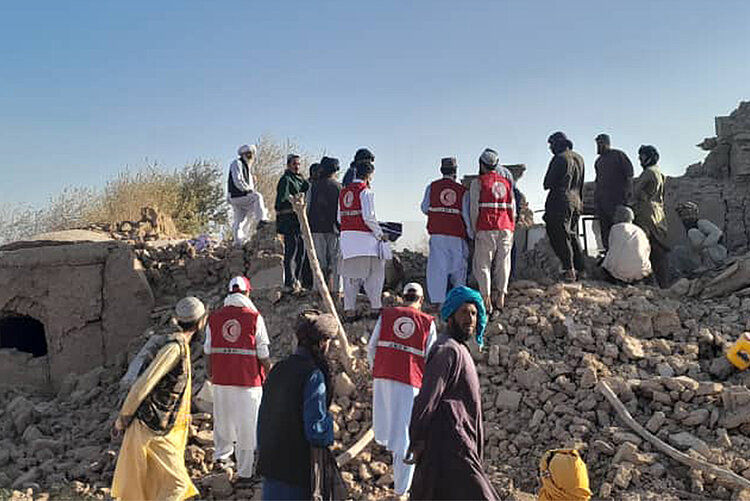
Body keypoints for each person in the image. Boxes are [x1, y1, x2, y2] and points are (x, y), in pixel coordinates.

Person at [407, 286, 498, 501]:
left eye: (474, 313)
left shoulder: (458, 348)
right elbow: (427, 398)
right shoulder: (446, 350)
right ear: (450, 316)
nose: (470, 319)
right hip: (452, 443)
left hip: (457, 441)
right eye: (464, 313)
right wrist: (417, 438)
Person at [111, 297, 206, 501]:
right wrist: (122, 419)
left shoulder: (181, 346)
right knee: (177, 485)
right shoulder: (174, 349)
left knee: (157, 484)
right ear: (200, 322)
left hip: (162, 428)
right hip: (151, 429)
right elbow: (143, 384)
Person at [256, 310, 338, 500]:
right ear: (323, 342)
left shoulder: (278, 369)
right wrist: (329, 426)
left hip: (271, 466)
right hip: (296, 472)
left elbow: (264, 417)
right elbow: (315, 431)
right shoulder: (313, 375)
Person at [367, 283, 437, 497]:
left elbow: (372, 347)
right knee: (405, 435)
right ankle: (402, 490)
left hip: (384, 379)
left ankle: (400, 483)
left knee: (389, 429)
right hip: (410, 383)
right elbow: (431, 357)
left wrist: (377, 369)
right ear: (421, 300)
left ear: (403, 297)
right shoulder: (426, 322)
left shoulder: (387, 315)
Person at [204, 276, 271, 486]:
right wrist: (270, 374)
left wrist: (210, 374)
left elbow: (207, 350)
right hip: (248, 382)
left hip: (221, 380)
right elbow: (263, 352)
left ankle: (221, 459)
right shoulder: (254, 318)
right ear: (247, 293)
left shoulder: (214, 318)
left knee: (222, 421)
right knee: (247, 427)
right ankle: (245, 473)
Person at [338, 153, 388, 322]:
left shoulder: (343, 192)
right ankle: (376, 307)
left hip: (346, 239)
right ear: (368, 175)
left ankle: (349, 310)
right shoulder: (366, 192)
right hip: (364, 240)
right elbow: (368, 217)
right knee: (375, 272)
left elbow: (339, 218)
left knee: (350, 276)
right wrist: (380, 234)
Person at [420, 157, 473, 307]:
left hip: (437, 235)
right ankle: (459, 303)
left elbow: (424, 208)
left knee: (438, 270)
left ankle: (438, 303)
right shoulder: (462, 191)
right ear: (455, 172)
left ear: (441, 170)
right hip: (457, 236)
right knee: (459, 270)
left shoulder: (432, 187)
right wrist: (470, 234)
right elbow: (466, 215)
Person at [470, 148, 515, 314]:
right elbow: (513, 208)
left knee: (483, 265)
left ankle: (486, 299)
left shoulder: (478, 183)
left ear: (482, 164)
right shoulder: (506, 183)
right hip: (505, 227)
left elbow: (474, 208)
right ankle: (501, 295)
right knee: (503, 262)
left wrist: (474, 229)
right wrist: (512, 226)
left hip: (486, 226)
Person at [543, 132, 585, 282]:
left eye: (551, 145)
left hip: (560, 199)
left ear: (558, 144)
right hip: (576, 201)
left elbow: (547, 183)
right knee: (572, 234)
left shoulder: (560, 158)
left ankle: (569, 270)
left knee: (559, 235)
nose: (550, 148)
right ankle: (581, 268)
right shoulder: (579, 158)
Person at [633, 145, 670, 288]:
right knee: (659, 248)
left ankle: (649, 283)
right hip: (658, 212)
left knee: (645, 247)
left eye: (641, 156)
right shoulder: (660, 173)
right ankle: (664, 283)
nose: (639, 159)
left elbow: (635, 193)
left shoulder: (648, 172)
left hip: (646, 213)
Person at [275, 154, 312, 291]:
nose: (296, 166)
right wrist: (294, 203)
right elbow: (282, 201)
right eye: (294, 164)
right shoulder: (285, 180)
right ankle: (289, 283)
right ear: (288, 165)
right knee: (292, 250)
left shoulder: (300, 179)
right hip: (289, 221)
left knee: (301, 251)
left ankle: (298, 280)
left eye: (298, 164)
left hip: (299, 222)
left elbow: (308, 189)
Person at [308, 156, 343, 295]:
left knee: (318, 261)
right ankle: (336, 290)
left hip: (316, 229)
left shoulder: (313, 186)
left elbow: (308, 207)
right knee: (335, 262)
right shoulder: (339, 187)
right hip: (333, 229)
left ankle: (318, 289)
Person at [593, 134, 634, 251]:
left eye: (600, 143)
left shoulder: (618, 155)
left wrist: (629, 194)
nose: (598, 146)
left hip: (617, 202)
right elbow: (598, 181)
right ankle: (610, 258)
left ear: (606, 143)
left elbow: (629, 175)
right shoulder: (599, 161)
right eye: (597, 143)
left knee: (621, 232)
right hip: (603, 203)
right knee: (606, 234)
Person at [228, 144, 270, 248]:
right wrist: (249, 190)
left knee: (241, 219)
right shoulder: (237, 163)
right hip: (237, 196)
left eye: (251, 154)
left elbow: (247, 183)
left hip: (240, 197)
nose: (251, 156)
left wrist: (251, 183)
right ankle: (262, 220)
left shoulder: (247, 168)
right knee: (257, 197)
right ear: (243, 154)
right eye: (248, 154)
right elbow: (238, 180)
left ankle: (239, 241)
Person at [673, 201, 728, 274]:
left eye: (687, 214)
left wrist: (704, 246)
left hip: (716, 254)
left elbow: (717, 233)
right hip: (700, 257)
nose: (685, 218)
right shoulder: (687, 229)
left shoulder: (701, 223)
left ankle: (708, 264)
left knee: (692, 232)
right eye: (683, 215)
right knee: (678, 250)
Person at [601, 206, 652, 284]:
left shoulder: (615, 228)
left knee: (606, 263)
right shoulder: (640, 231)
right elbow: (647, 250)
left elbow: (611, 248)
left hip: (618, 272)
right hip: (640, 273)